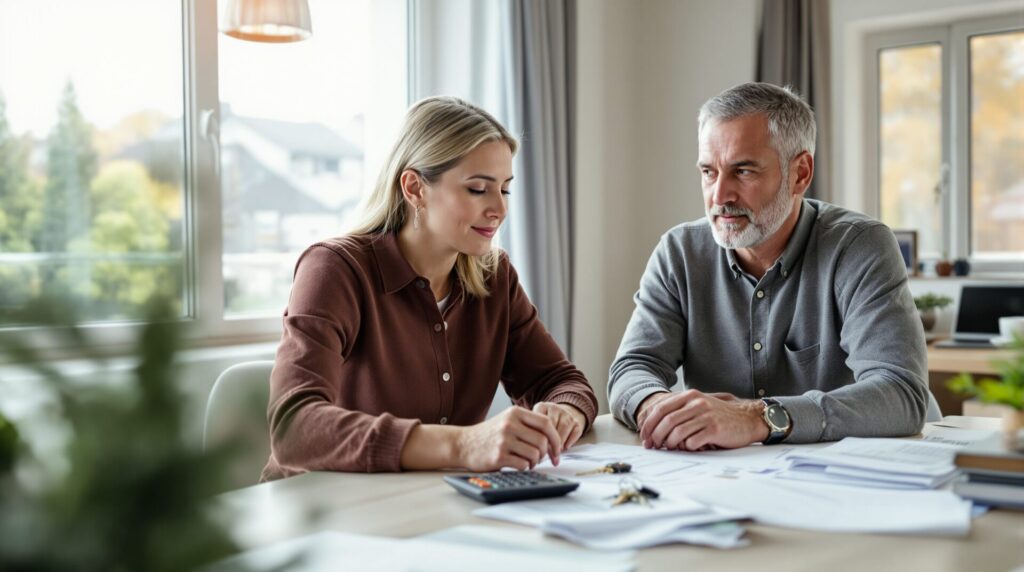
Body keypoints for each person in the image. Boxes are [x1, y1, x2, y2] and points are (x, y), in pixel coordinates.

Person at [262, 96, 597, 480]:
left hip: (429, 503)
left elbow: (562, 382)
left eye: (504, 189)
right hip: (321, 509)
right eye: (477, 189)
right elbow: (293, 429)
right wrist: (463, 444)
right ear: (415, 187)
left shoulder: (495, 277)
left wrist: (563, 412)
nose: (499, 209)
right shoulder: (334, 269)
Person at [608, 82, 928, 451]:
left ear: (801, 173)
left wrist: (757, 418)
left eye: (743, 172)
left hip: (845, 481)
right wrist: (658, 406)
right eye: (709, 172)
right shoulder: (679, 252)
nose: (720, 196)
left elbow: (901, 394)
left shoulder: (859, 246)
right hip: (725, 478)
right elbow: (632, 367)